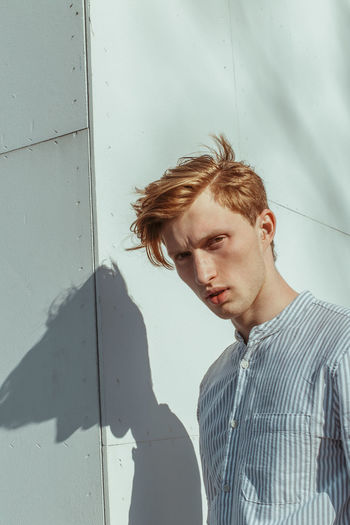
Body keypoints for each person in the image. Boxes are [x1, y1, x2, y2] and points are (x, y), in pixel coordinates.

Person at [129, 135, 350, 524]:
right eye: (183, 256)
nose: (202, 274)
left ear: (264, 227)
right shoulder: (214, 382)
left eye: (215, 242)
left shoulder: (340, 347)